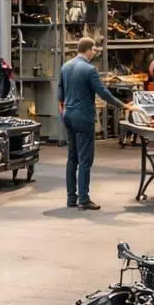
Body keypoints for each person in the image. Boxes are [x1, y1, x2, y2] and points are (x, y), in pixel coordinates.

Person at [58, 37, 135, 211]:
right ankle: (84, 199)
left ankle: (71, 198)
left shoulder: (66, 66)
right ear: (88, 49)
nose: (95, 53)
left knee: (72, 158)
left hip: (68, 115)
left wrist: (63, 113)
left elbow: (60, 94)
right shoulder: (89, 69)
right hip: (84, 117)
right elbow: (103, 93)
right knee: (85, 160)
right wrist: (123, 105)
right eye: (94, 50)